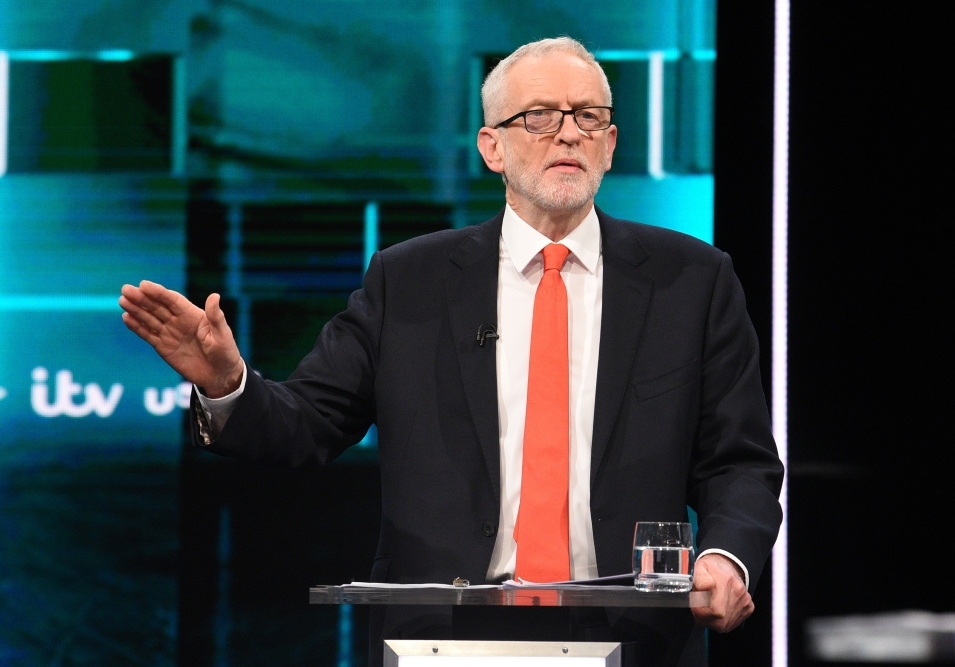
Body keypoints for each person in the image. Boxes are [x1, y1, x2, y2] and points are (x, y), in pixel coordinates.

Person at [120, 37, 782, 667]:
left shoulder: (692, 280)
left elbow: (740, 463)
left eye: (588, 117)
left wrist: (725, 555)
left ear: (609, 144)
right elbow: (306, 423)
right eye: (541, 116)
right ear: (492, 147)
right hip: (445, 637)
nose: (569, 132)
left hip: (634, 637)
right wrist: (227, 381)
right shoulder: (409, 281)